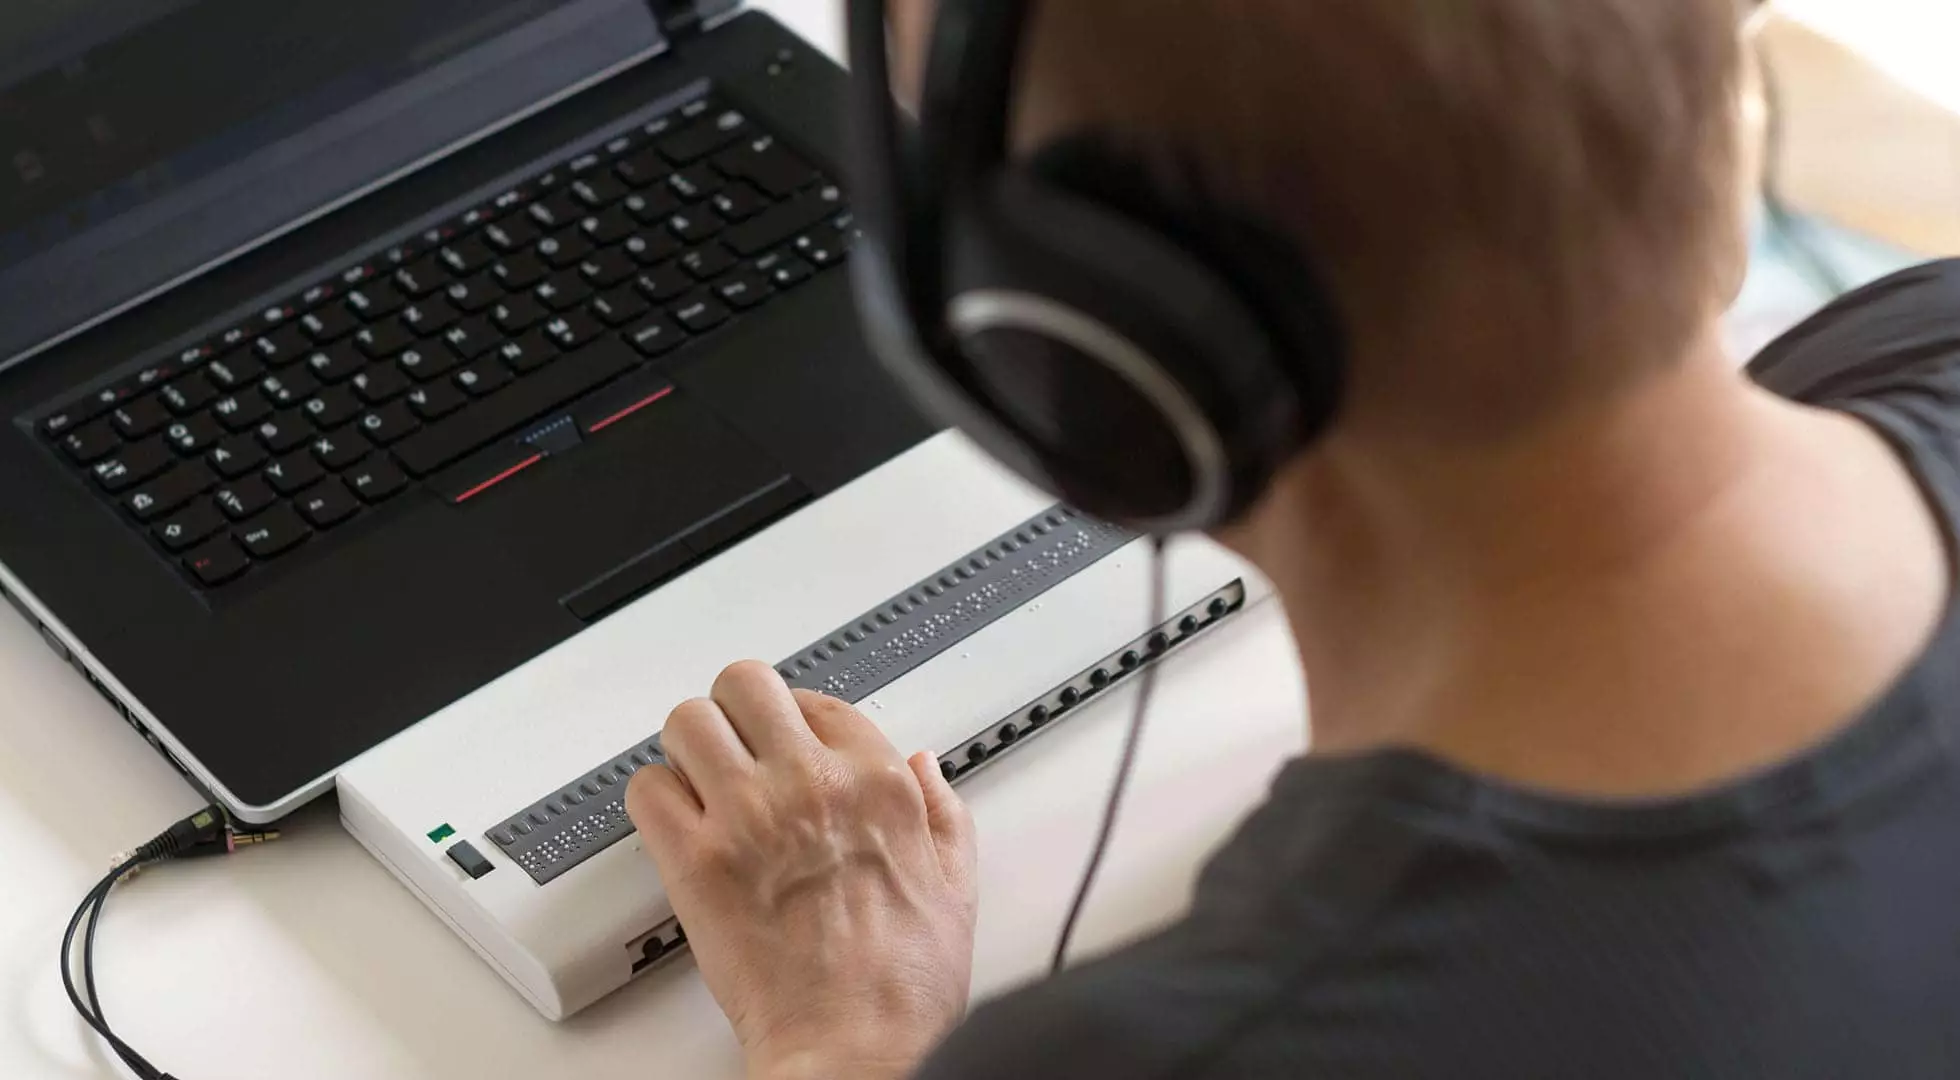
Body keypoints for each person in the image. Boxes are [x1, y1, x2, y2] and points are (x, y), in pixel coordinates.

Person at [625, 0, 1960, 1076]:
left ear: (1094, 355)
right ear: (1722, 103)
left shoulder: (1173, 1047)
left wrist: (845, 1036)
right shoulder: (1925, 325)